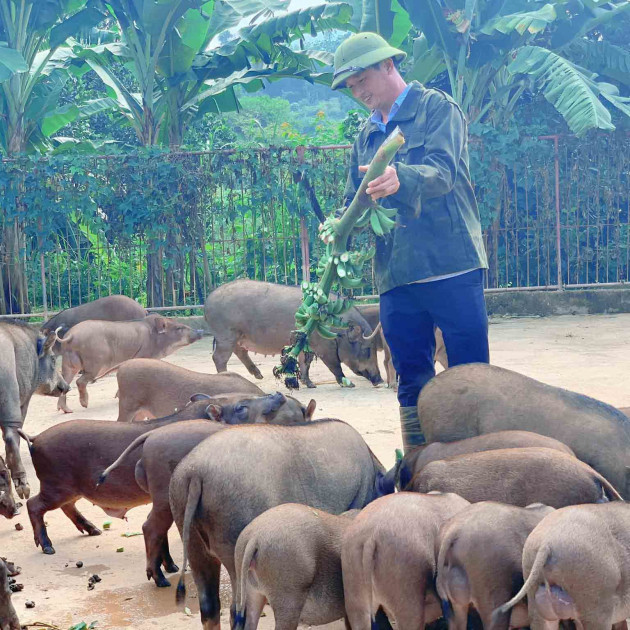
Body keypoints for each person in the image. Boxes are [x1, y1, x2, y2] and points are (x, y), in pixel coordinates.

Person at [325, 32, 490, 452]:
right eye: (351, 86)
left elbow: (444, 172)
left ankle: (478, 461)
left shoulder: (437, 109)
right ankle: (419, 465)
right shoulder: (365, 134)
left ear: (388, 65)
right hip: (396, 273)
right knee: (410, 375)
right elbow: (354, 199)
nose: (358, 91)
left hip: (451, 263)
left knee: (471, 373)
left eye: (363, 79)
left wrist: (404, 178)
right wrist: (340, 224)